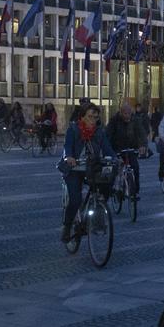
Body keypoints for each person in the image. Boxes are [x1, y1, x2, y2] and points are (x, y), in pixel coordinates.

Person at [60, 102, 115, 242]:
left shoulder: (99, 131)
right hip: (74, 168)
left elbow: (107, 147)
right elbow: (67, 146)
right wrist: (69, 157)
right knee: (75, 199)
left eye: (96, 117)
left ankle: (98, 217)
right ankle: (66, 227)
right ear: (82, 117)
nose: (93, 120)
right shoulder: (73, 129)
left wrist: (114, 159)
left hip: (91, 168)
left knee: (105, 184)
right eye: (90, 117)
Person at [107, 101, 149, 199]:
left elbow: (141, 134)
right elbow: (108, 136)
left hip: (131, 148)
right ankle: (114, 188)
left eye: (129, 113)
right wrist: (110, 151)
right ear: (121, 113)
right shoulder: (114, 121)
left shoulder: (136, 120)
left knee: (135, 167)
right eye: (125, 113)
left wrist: (142, 145)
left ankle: (135, 192)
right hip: (117, 148)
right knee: (115, 168)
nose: (127, 116)